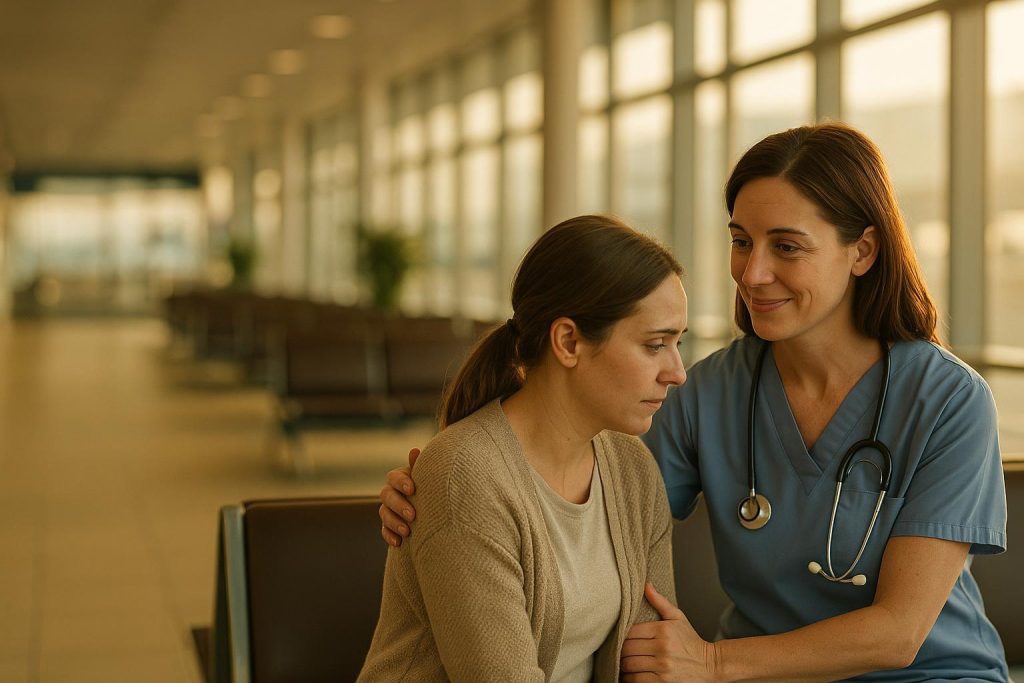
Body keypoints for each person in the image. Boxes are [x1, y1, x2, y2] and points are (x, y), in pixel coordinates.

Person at [379, 123, 1009, 681]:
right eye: (741, 241)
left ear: (863, 251)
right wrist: (442, 482)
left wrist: (711, 663)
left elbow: (900, 634)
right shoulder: (705, 392)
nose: (753, 272)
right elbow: (582, 489)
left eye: (786, 247)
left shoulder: (948, 401)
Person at [359, 215, 689, 682]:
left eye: (678, 343)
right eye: (655, 345)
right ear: (569, 341)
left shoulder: (632, 466)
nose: (677, 371)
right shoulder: (465, 477)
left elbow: (651, 659)